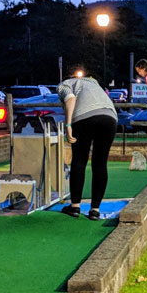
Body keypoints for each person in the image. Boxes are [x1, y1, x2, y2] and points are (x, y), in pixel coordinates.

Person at [58, 72, 118, 220]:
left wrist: (68, 125)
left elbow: (70, 99)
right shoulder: (94, 83)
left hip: (83, 117)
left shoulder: (64, 84)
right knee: (100, 162)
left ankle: (75, 207)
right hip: (110, 117)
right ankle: (95, 210)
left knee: (79, 160)